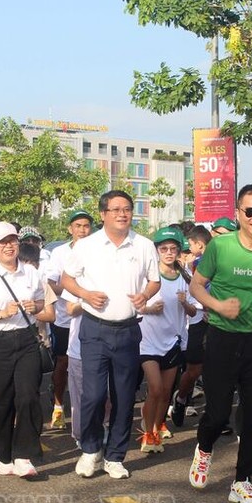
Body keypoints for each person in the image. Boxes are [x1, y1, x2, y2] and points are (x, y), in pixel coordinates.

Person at [185, 184, 252, 503]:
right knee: (218, 414)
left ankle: (242, 481)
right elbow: (196, 286)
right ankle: (204, 449)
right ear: (238, 214)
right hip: (222, 336)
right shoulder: (221, 247)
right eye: (251, 211)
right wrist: (217, 306)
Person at [61, 190, 160, 479]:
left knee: (124, 397)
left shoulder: (143, 245)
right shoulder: (87, 245)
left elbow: (154, 281)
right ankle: (90, 448)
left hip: (128, 330)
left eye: (127, 208)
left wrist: (144, 295)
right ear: (103, 214)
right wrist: (85, 294)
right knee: (92, 395)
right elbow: (67, 279)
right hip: (94, 329)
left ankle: (115, 456)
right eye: (115, 209)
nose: (122, 214)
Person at [0, 222, 45, 477]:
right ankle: (2, 453)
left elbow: (41, 302)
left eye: (12, 240)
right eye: (2, 242)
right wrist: (2, 313)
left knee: (28, 396)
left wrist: (35, 307)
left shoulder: (30, 272)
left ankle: (24, 455)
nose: (9, 246)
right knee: (2, 401)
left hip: (27, 339)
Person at [137, 227, 195, 453]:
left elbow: (193, 311)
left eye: (173, 249)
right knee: (155, 388)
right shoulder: (148, 277)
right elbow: (134, 305)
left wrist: (184, 303)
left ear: (179, 251)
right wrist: (149, 309)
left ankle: (155, 429)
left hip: (173, 341)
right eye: (164, 249)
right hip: (148, 341)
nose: (169, 253)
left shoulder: (185, 277)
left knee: (165, 392)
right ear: (157, 251)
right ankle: (147, 433)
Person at [44, 210, 93, 431]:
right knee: (63, 362)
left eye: (86, 226)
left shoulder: (97, 251)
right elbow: (51, 283)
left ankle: (85, 410)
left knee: (88, 364)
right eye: (78, 226)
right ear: (70, 229)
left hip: (91, 316)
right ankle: (58, 405)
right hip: (65, 318)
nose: (82, 230)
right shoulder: (60, 253)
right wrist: (74, 291)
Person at [169, 225, 211, 427]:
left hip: (216, 322)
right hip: (196, 323)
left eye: (189, 248)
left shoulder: (218, 262)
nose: (188, 253)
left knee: (215, 369)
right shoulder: (190, 267)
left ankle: (216, 417)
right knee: (194, 370)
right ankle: (181, 398)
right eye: (184, 250)